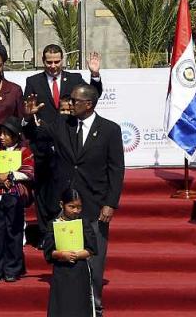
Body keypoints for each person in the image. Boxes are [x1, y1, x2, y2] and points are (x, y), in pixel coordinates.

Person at [24, 83, 124, 316]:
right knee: (67, 264)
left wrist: (110, 203)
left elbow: (116, 169)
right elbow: (37, 135)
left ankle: (95, 308)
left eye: (75, 101)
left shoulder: (110, 130)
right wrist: (29, 119)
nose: (69, 105)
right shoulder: (62, 124)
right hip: (65, 207)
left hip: (94, 204)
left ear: (88, 104)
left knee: (94, 262)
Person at [23, 44, 103, 241]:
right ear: (43, 61)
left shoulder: (74, 79)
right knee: (43, 192)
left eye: (56, 61)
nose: (53, 66)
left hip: (70, 145)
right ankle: (45, 234)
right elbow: (28, 110)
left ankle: (72, 232)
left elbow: (92, 96)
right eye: (49, 62)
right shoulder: (33, 81)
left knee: (68, 191)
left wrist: (95, 75)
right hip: (43, 146)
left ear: (62, 60)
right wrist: (28, 115)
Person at [0, 117, 34, 282]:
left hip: (15, 196)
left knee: (14, 232)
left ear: (15, 135)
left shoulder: (24, 151)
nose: (2, 137)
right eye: (2, 133)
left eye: (6, 134)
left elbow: (28, 172)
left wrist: (11, 175)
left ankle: (12, 269)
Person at [43, 189, 97, 317]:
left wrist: (77, 255)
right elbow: (49, 252)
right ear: (62, 205)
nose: (75, 211)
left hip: (80, 271)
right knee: (61, 304)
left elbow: (91, 249)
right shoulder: (53, 224)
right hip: (61, 271)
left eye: (79, 207)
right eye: (71, 206)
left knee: (80, 304)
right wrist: (62, 255)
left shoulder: (84, 223)